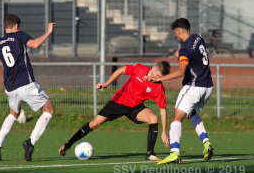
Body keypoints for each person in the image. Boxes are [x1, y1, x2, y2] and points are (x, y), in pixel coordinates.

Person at [0, 14, 57, 162]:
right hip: (25, 82)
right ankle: (30, 142)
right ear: (17, 26)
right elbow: (35, 44)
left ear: (5, 27)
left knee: (14, 113)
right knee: (49, 110)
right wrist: (48, 32)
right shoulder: (20, 36)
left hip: (10, 86)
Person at [59, 61, 171, 161]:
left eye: (160, 77)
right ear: (154, 67)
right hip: (119, 102)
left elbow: (163, 110)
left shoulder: (158, 87)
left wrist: (164, 132)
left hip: (135, 106)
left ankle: (150, 154)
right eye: (157, 75)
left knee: (153, 118)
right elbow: (121, 70)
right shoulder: (139, 69)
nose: (157, 79)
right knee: (94, 124)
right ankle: (68, 145)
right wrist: (106, 84)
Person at [143, 18, 214, 164]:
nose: (177, 37)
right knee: (192, 114)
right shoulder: (197, 37)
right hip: (208, 87)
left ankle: (174, 153)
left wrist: (159, 79)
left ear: (179, 31)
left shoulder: (186, 49)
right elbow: (187, 51)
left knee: (176, 118)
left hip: (194, 87)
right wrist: (179, 52)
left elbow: (181, 72)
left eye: (176, 34)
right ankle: (206, 143)